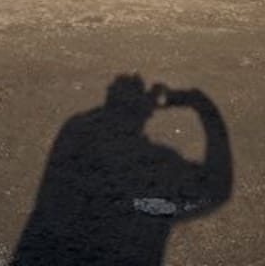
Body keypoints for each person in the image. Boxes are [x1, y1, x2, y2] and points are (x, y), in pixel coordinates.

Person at [13, 74, 233, 265]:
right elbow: (217, 189)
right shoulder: (159, 164)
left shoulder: (75, 138)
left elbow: (88, 122)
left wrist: (140, 105)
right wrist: (200, 103)